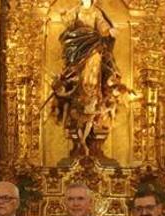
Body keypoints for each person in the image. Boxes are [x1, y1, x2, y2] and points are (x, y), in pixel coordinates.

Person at [52, 0, 125, 157]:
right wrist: (66, 17)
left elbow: (102, 25)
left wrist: (109, 31)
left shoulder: (96, 12)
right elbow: (68, 22)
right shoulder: (76, 10)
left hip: (92, 46)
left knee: (94, 67)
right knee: (75, 71)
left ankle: (93, 91)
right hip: (78, 45)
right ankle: (78, 91)